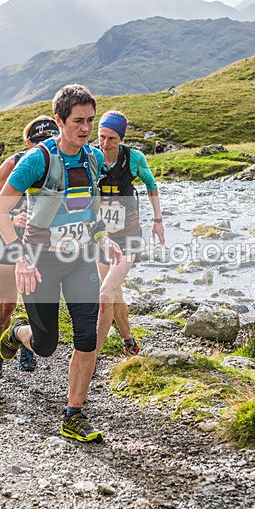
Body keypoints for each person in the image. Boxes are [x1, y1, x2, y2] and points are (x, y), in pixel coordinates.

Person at [0, 84, 123, 443]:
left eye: (90, 121)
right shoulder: (38, 160)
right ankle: (18, 332)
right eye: (78, 121)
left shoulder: (93, 159)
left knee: (87, 337)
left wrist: (101, 238)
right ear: (59, 121)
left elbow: (92, 213)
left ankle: (73, 414)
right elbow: (1, 210)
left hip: (80, 261)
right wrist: (18, 256)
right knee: (46, 345)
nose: (85, 128)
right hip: (40, 262)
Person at [0, 115, 59, 379]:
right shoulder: (14, 162)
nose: (44, 145)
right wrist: (12, 217)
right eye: (38, 141)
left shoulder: (65, 162)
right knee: (8, 303)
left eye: (50, 139)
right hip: (7, 237)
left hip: (41, 243)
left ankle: (26, 343)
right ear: (27, 142)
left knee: (36, 302)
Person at [95, 110, 165, 357]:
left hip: (129, 235)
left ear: (121, 139)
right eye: (102, 137)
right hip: (101, 236)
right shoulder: (92, 157)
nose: (105, 143)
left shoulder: (134, 158)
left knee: (105, 294)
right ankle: (129, 341)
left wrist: (158, 220)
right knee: (114, 291)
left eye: (112, 138)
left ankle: (90, 358)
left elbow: (151, 185)